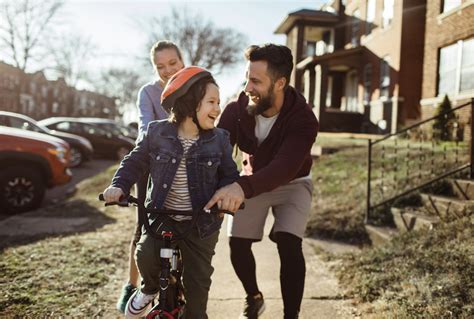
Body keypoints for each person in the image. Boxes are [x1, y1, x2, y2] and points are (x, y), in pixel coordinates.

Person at [103, 66, 240, 319]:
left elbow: (229, 175)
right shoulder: (157, 132)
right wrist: (118, 186)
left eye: (218, 102)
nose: (217, 109)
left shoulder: (220, 139)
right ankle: (149, 288)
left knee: (197, 290)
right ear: (189, 103)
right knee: (145, 254)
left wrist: (228, 196)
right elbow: (134, 162)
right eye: (211, 102)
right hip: (161, 216)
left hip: (201, 223)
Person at [205, 44, 319, 319]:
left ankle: (291, 315)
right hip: (253, 178)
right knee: (237, 245)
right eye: (247, 78)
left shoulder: (304, 119)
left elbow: (284, 168)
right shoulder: (237, 109)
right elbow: (216, 150)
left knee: (289, 243)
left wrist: (240, 188)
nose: (247, 87)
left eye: (256, 81)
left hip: (293, 182)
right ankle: (254, 296)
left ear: (280, 83)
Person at [115, 40, 185, 313]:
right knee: (143, 228)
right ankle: (133, 286)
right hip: (150, 164)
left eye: (173, 63)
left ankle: (182, 287)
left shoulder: (196, 87)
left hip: (186, 168)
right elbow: (145, 127)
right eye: (160, 66)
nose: (167, 70)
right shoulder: (148, 92)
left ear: (182, 60)